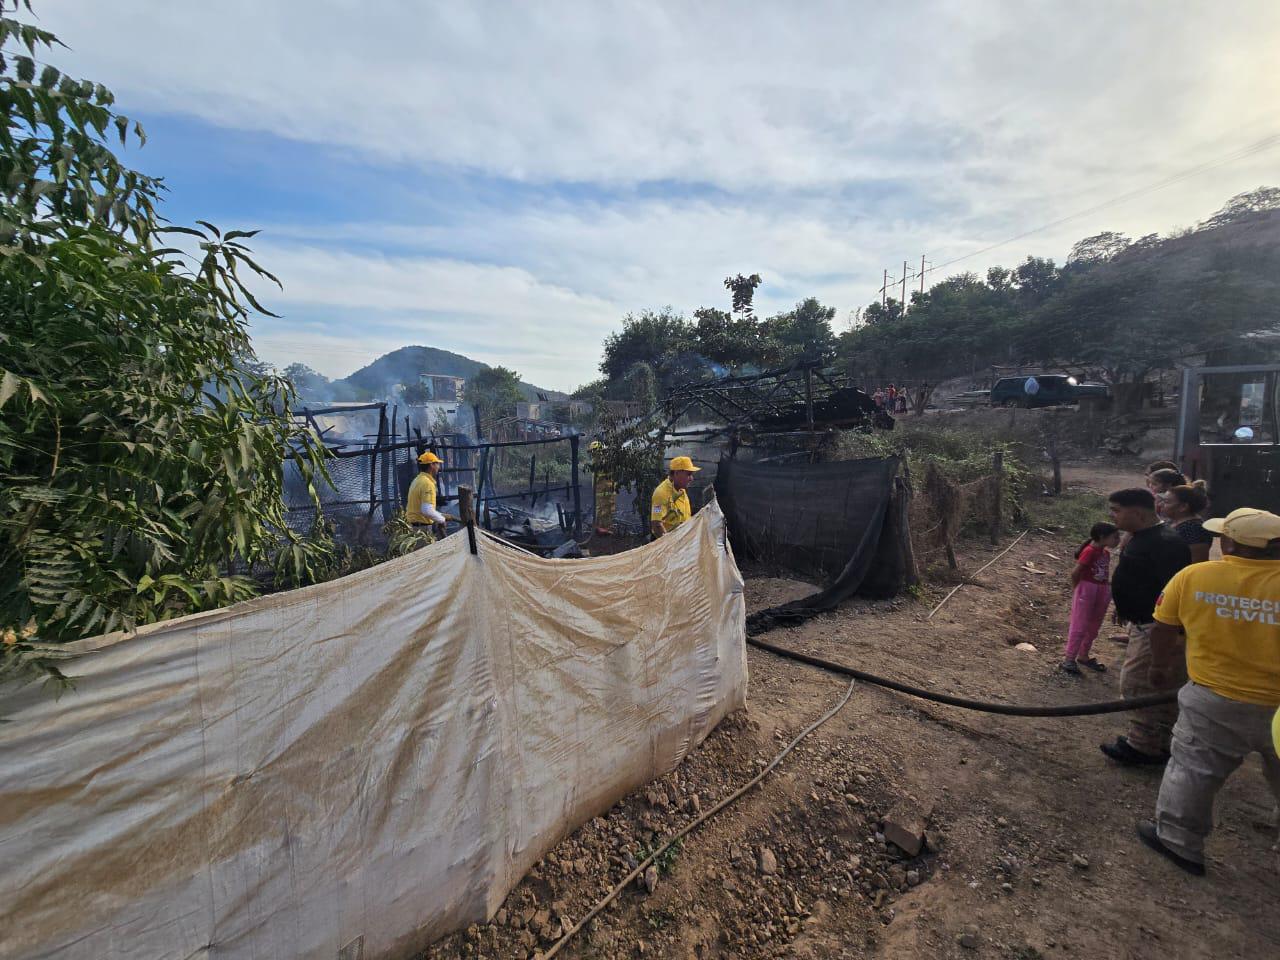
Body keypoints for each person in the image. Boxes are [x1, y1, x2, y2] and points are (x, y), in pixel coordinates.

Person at [1136, 507, 1280, 875]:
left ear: (1230, 543)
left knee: (1194, 771)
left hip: (1214, 699)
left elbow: (1163, 627)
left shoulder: (1194, 577)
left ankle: (1179, 842)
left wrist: (1158, 667)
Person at [1101, 488, 1191, 766]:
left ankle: (1145, 746)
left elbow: (1173, 592)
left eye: (1116, 510)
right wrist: (1123, 606)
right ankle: (1156, 740)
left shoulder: (1165, 544)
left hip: (1157, 627)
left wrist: (1169, 638)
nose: (1112, 516)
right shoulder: (1144, 537)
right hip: (1144, 622)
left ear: (1138, 513)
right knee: (1145, 684)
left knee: (1141, 685)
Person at [1062, 521, 1120, 675]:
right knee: (1080, 625)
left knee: (1094, 625)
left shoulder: (1105, 553)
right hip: (1087, 589)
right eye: (1115, 537)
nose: (1118, 540)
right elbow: (1075, 573)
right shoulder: (1089, 551)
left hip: (1101, 590)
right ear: (1102, 537)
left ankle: (1083, 655)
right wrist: (1078, 590)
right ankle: (1069, 658)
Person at [1162, 482, 1213, 563]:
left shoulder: (1194, 529)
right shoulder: (1171, 521)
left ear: (1183, 507)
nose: (1161, 504)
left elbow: (1197, 562)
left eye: (1167, 502)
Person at [650, 455, 700, 539]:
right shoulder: (661, 494)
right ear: (676, 473)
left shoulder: (681, 489)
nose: (691, 478)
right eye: (689, 474)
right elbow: (656, 524)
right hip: (666, 541)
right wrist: (668, 543)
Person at [406, 450, 447, 540]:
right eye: (437, 464)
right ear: (431, 465)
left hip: (414, 527)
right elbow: (427, 510)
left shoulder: (417, 480)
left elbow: (423, 508)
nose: (438, 467)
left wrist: (440, 515)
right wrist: (442, 520)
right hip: (423, 529)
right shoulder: (427, 483)